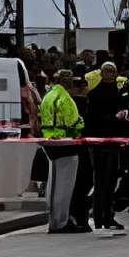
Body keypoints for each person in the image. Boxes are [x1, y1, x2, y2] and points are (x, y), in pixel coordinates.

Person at [78, 61, 128, 234]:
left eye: (112, 71)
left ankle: (106, 215)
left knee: (109, 181)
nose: (110, 74)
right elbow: (93, 119)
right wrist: (116, 117)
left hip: (111, 142)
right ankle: (101, 216)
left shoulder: (112, 93)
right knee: (102, 181)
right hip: (102, 143)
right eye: (107, 71)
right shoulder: (98, 95)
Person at [36, 69, 86, 231]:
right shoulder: (65, 98)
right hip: (66, 144)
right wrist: (81, 125)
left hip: (49, 143)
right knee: (64, 187)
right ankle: (61, 222)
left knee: (53, 184)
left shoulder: (48, 96)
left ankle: (54, 221)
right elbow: (73, 123)